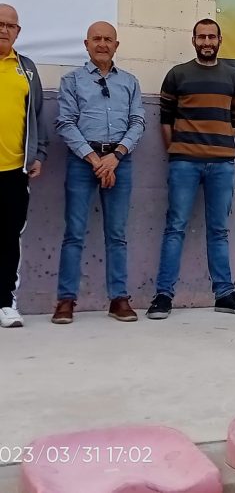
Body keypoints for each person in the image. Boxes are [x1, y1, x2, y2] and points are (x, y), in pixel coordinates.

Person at [146, 18, 235, 320]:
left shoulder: (233, 76)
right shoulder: (176, 75)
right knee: (175, 228)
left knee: (218, 231)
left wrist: (217, 143)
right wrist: (177, 150)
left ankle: (224, 294)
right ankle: (163, 296)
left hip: (222, 165)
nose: (206, 41)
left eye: (212, 37)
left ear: (220, 40)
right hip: (184, 163)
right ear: (193, 40)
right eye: (201, 37)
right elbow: (165, 120)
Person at [53, 21, 145, 324]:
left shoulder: (130, 82)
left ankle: (118, 299)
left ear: (117, 45)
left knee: (117, 234)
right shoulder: (72, 81)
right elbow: (65, 123)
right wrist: (96, 160)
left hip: (120, 161)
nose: (102, 44)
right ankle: (65, 301)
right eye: (97, 39)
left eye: (108, 39)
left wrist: (115, 157)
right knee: (74, 233)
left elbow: (137, 122)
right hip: (83, 162)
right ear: (86, 44)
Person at [0, 4, 48, 328]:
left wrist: (38, 155)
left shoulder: (26, 69)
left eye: (10, 26)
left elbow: (39, 116)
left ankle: (5, 303)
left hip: (13, 170)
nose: (4, 30)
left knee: (7, 237)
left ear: (18, 32)